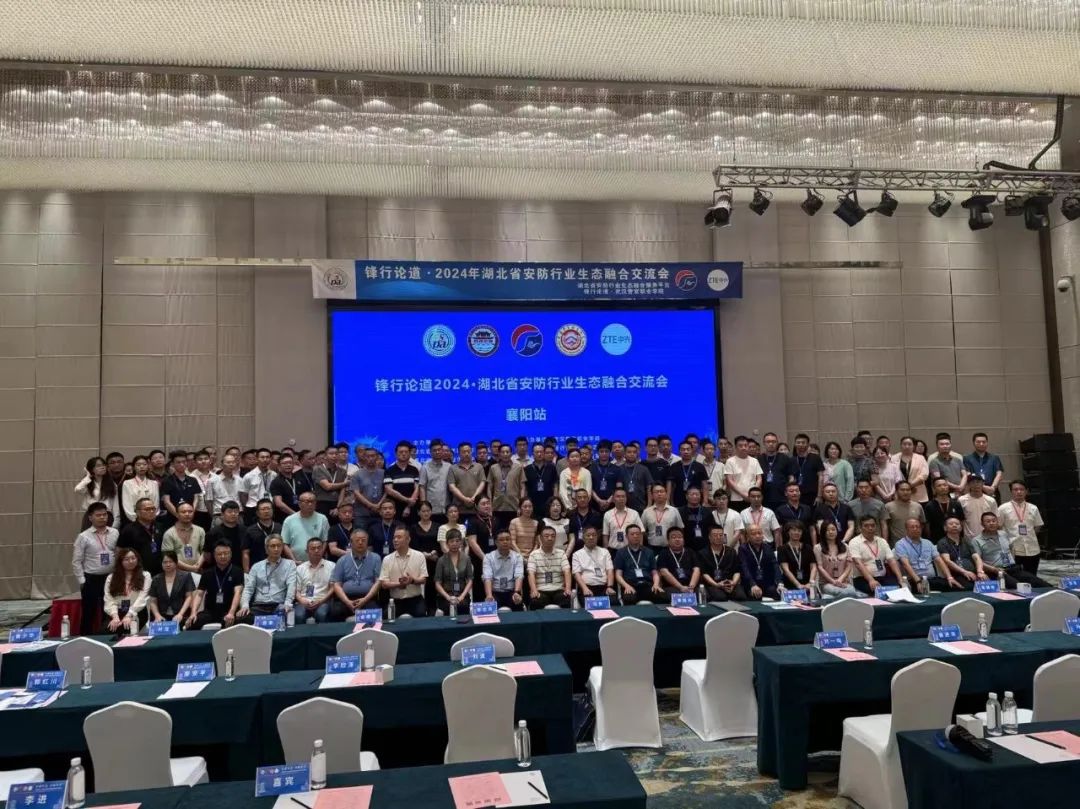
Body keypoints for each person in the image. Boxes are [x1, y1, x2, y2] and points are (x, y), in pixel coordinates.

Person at [72, 502, 119, 635]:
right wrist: (82, 580)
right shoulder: (83, 536)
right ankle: (85, 637)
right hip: (91, 578)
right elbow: (76, 561)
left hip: (110, 577)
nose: (102, 517)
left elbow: (118, 553)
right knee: (89, 611)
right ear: (90, 518)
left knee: (109, 610)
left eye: (104, 514)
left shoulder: (114, 532)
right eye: (98, 515)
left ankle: (108, 636)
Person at [971, 512, 1052, 589]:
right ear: (982, 524)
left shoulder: (1003, 534)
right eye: (988, 521)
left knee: (1040, 583)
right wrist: (994, 569)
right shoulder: (977, 540)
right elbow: (978, 561)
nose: (991, 523)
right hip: (996, 572)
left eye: (993, 521)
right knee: (1020, 587)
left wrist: (1012, 560)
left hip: (1013, 568)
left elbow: (1011, 548)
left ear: (997, 522)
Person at [894, 518, 963, 592]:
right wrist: (918, 581)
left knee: (956, 587)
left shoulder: (928, 543)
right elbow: (905, 564)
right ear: (906, 529)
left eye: (917, 527)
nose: (915, 529)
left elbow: (939, 560)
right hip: (914, 580)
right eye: (912, 527)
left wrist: (949, 577)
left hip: (932, 579)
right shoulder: (900, 544)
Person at [239, 535, 296, 620]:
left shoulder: (290, 564)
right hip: (259, 605)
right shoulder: (256, 566)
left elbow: (291, 586)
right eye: (273, 546)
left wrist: (287, 604)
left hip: (279, 605)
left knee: (288, 616)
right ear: (266, 549)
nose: (276, 549)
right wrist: (245, 606)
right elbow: (248, 589)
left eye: (279, 546)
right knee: (242, 618)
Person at [330, 529, 382, 620]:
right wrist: (347, 601)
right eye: (357, 540)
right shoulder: (342, 560)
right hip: (346, 599)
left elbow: (378, 582)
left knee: (375, 612)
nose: (360, 542)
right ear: (351, 542)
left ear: (367, 542)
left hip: (368, 598)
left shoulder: (375, 558)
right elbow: (336, 584)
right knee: (336, 612)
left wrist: (365, 599)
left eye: (363, 540)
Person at [191, 542, 245, 629]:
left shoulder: (237, 571)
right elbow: (199, 594)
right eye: (219, 554)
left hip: (228, 610)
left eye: (226, 553)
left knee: (237, 620)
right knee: (192, 622)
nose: (223, 556)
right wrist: (193, 613)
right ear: (214, 556)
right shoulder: (207, 573)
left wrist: (231, 613)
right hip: (210, 611)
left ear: (231, 554)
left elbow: (237, 593)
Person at [378, 526, 428, 618]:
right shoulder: (387, 559)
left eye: (399, 537)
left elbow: (423, 579)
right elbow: (384, 584)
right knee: (385, 618)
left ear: (408, 540)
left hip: (415, 599)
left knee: (421, 616)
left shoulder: (419, 556)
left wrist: (412, 580)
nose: (395, 540)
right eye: (394, 538)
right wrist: (399, 584)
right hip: (395, 600)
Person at [997, 480, 1045, 575]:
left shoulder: (1033, 508)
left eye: (1021, 489)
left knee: (1032, 577)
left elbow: (1038, 525)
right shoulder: (1003, 508)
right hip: (1012, 550)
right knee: (1014, 578)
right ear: (1011, 491)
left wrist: (1029, 536)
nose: (1019, 492)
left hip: (1032, 549)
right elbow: (998, 527)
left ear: (1026, 491)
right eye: (1015, 489)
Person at [848, 515, 903, 595]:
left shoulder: (882, 541)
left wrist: (900, 579)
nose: (870, 528)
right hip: (863, 579)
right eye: (866, 526)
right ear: (860, 528)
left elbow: (891, 561)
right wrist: (871, 580)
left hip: (882, 577)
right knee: (879, 591)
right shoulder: (854, 542)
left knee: (898, 588)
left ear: (876, 527)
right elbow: (858, 563)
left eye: (873, 525)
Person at [613, 525, 664, 605]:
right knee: (629, 598)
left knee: (661, 596)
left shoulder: (649, 552)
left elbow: (654, 573)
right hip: (630, 585)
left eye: (638, 534)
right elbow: (618, 575)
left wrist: (656, 584)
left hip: (647, 584)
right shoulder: (621, 553)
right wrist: (626, 586)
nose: (635, 536)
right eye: (632, 534)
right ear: (626, 536)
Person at [103, 548, 150, 632]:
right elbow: (109, 599)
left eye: (133, 558)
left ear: (137, 559)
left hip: (136, 612)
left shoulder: (145, 575)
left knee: (127, 629)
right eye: (126, 559)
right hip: (116, 612)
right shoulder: (111, 577)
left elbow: (142, 598)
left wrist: (129, 615)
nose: (131, 561)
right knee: (107, 630)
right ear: (120, 562)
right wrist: (115, 617)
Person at [527, 525, 572, 608]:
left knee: (565, 600)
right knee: (535, 602)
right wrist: (534, 590)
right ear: (540, 538)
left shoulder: (561, 553)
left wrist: (568, 589)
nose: (550, 538)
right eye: (546, 536)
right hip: (541, 589)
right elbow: (531, 574)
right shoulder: (533, 554)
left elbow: (567, 571)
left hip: (558, 589)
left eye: (553, 536)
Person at [148, 551, 197, 626]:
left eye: (170, 562)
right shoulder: (156, 579)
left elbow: (189, 597)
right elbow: (153, 601)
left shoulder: (186, 576)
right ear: (161, 564)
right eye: (165, 562)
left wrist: (180, 614)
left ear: (176, 562)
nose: (168, 564)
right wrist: (157, 615)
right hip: (162, 616)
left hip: (181, 615)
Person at [294, 538, 336, 623]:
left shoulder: (332, 566)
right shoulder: (300, 568)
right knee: (299, 615)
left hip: (323, 601)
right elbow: (296, 591)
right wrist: (302, 601)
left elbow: (333, 588)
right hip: (304, 601)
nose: (316, 551)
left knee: (322, 614)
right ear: (307, 551)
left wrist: (321, 601)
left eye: (319, 548)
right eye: (313, 548)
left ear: (323, 549)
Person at [813, 521, 860, 598]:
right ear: (823, 532)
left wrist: (840, 580)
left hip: (844, 582)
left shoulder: (845, 546)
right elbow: (820, 567)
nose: (831, 532)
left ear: (837, 531)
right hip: (826, 583)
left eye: (833, 529)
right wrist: (833, 582)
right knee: (841, 592)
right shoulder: (818, 548)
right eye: (827, 530)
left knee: (851, 591)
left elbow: (848, 566)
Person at [117, 496, 162, 576]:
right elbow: (120, 552)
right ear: (137, 512)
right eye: (147, 509)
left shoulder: (160, 526)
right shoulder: (128, 530)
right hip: (137, 573)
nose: (151, 511)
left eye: (153, 509)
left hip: (159, 572)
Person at [159, 450, 203, 531]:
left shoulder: (193, 480)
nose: (182, 464)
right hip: (173, 518)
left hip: (190, 518)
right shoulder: (167, 481)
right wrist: (178, 515)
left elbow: (196, 498)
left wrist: (190, 513)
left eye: (184, 462)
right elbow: (167, 502)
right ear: (173, 464)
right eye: (178, 462)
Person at [699, 525, 744, 601]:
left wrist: (733, 583)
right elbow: (704, 574)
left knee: (741, 596)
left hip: (729, 583)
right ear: (709, 537)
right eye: (715, 535)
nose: (718, 537)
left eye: (721, 535)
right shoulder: (703, 553)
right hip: (713, 584)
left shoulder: (731, 551)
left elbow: (737, 571)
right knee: (720, 597)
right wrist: (717, 585)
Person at [483, 529, 525, 610]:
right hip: (495, 592)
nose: (505, 542)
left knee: (517, 603)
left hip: (512, 591)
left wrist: (517, 592)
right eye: (501, 540)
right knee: (490, 606)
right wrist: (489, 595)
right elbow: (487, 577)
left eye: (507, 539)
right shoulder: (488, 557)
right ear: (496, 542)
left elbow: (519, 576)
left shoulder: (517, 557)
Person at [281, 492, 329, 563]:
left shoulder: (322, 518)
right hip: (296, 562)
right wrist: (294, 561)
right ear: (299, 504)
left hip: (317, 561)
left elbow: (325, 540)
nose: (310, 504)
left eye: (312, 501)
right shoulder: (289, 520)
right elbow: (285, 543)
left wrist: (319, 556)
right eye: (307, 502)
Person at [434, 528, 473, 615]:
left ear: (461, 542)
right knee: (449, 607)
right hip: (445, 596)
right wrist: (448, 597)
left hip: (462, 594)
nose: (454, 544)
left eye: (457, 541)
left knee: (463, 606)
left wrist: (462, 596)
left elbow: (470, 580)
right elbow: (437, 583)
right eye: (451, 541)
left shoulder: (466, 558)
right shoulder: (441, 560)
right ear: (447, 543)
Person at [410, 501, 441, 612]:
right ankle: (422, 608)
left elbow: (440, 543)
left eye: (428, 511)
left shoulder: (438, 526)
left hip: (435, 559)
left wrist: (434, 553)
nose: (426, 513)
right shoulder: (413, 528)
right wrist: (424, 555)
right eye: (423, 511)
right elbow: (413, 545)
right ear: (418, 512)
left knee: (433, 583)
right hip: (419, 560)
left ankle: (433, 608)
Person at [737, 523, 781, 601]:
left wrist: (780, 583)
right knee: (755, 595)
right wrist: (752, 584)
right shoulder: (743, 549)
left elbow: (775, 566)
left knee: (778, 593)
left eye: (759, 533)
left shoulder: (768, 548)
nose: (757, 536)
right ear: (748, 536)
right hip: (751, 583)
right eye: (753, 534)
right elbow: (744, 569)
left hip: (766, 583)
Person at [936, 517, 980, 589]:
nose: (954, 525)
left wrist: (980, 571)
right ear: (945, 528)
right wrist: (965, 572)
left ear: (961, 528)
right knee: (971, 588)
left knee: (990, 585)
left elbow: (976, 557)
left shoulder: (966, 541)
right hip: (957, 575)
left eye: (957, 524)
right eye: (951, 524)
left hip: (973, 572)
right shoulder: (942, 542)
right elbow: (947, 561)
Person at [161, 502, 206, 573]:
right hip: (177, 573)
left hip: (197, 570)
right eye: (183, 512)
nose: (187, 514)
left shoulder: (200, 530)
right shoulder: (169, 533)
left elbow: (204, 551)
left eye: (190, 511)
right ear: (177, 514)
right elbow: (169, 557)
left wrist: (197, 566)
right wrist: (191, 568)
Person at [572, 526, 615, 598]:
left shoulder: (605, 552)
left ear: (597, 537)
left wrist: (610, 587)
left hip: (604, 587)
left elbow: (610, 570)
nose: (591, 537)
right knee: (589, 602)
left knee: (613, 601)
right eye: (588, 535)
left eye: (594, 535)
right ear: (583, 538)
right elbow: (576, 574)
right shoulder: (577, 554)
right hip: (586, 587)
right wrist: (585, 589)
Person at [656, 527, 700, 597]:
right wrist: (681, 587)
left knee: (702, 594)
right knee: (671, 595)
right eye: (673, 537)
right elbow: (664, 572)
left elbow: (697, 570)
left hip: (690, 586)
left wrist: (691, 587)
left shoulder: (690, 552)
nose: (677, 539)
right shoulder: (663, 553)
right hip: (672, 587)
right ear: (668, 541)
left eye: (680, 537)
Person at [488, 444, 524, 529]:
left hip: (514, 507)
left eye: (507, 452)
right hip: (497, 507)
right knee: (497, 532)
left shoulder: (518, 467)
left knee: (513, 532)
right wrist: (490, 506)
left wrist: (521, 505)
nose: (505, 454)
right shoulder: (493, 468)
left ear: (511, 453)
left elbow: (522, 487)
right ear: (499, 454)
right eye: (503, 452)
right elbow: (489, 487)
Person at [384, 441, 422, 521]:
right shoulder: (389, 470)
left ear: (409, 453)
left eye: (406, 452)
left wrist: (409, 505)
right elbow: (389, 490)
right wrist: (406, 500)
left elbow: (417, 488)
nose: (404, 454)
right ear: (396, 454)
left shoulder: (414, 470)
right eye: (401, 452)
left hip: (412, 507)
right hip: (395, 509)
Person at [76, 457, 120, 525]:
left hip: (106, 515)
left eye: (103, 465)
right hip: (91, 516)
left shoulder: (111, 484)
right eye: (98, 466)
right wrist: (88, 477)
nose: (102, 467)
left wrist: (116, 521)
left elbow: (115, 505)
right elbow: (78, 489)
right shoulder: (88, 483)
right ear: (92, 469)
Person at [723, 436, 763, 511]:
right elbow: (730, 481)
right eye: (740, 446)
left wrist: (753, 493)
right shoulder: (730, 461)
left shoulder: (754, 461)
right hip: (736, 499)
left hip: (753, 499)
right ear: (736, 447)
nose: (743, 448)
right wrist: (743, 494)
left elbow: (759, 479)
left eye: (745, 445)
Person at [447, 441, 486, 518]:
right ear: (459, 453)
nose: (466, 454)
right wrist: (464, 499)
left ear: (471, 452)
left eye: (468, 451)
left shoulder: (478, 466)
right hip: (458, 508)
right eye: (464, 452)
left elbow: (482, 483)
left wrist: (474, 498)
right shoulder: (453, 468)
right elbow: (452, 487)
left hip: (476, 506)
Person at [269, 454, 312, 523]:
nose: (288, 465)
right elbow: (278, 503)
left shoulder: (300, 478)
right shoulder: (276, 482)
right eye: (285, 463)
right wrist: (295, 514)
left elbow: (309, 495)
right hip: (285, 517)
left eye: (290, 463)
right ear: (279, 466)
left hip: (303, 514)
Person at [239, 448, 276, 524]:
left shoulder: (274, 475)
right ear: (257, 459)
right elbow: (243, 495)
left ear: (270, 459)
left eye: (267, 457)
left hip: (269, 508)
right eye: (262, 457)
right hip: (253, 509)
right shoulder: (249, 476)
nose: (265, 459)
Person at [349, 447, 386, 523]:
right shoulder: (357, 474)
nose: (370, 458)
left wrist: (379, 504)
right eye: (368, 456)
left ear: (377, 457)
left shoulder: (384, 473)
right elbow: (356, 493)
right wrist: (371, 505)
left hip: (380, 512)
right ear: (364, 457)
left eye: (373, 456)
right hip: (361, 513)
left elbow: (387, 491)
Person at [642, 483, 683, 549]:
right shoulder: (646, 512)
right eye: (656, 492)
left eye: (661, 491)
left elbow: (680, 528)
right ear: (652, 495)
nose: (659, 494)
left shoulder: (674, 510)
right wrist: (649, 538)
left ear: (666, 494)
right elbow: (642, 530)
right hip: (652, 547)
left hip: (670, 547)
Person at [964, 433, 1004, 500]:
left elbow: (999, 474)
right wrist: (983, 487)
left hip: (992, 492)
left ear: (987, 443)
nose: (981, 444)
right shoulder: (967, 458)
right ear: (973, 443)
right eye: (978, 442)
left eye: (984, 442)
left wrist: (992, 488)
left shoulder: (994, 458)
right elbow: (968, 475)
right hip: (974, 492)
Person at [312, 446, 349, 519]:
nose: (334, 456)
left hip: (337, 503)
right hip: (322, 503)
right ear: (325, 456)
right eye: (331, 454)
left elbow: (342, 491)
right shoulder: (318, 469)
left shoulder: (342, 471)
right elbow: (327, 486)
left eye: (336, 454)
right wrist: (345, 483)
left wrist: (338, 507)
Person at [206, 452, 243, 526]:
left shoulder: (240, 480)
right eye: (228, 462)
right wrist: (213, 516)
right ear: (222, 464)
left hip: (237, 515)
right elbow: (208, 501)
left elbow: (242, 498)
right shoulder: (212, 480)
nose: (231, 464)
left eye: (233, 462)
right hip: (220, 516)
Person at [669, 441, 709, 509]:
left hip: (696, 500)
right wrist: (671, 502)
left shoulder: (699, 466)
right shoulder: (674, 466)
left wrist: (705, 501)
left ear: (692, 450)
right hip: (678, 501)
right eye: (683, 449)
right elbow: (672, 486)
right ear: (679, 451)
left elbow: (704, 485)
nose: (686, 451)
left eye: (688, 449)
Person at [242, 498, 279, 572]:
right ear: (257, 513)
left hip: (278, 567)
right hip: (257, 568)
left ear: (273, 511)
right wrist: (246, 572)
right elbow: (245, 552)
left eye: (268, 508)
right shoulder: (250, 531)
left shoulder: (279, 527)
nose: (266, 511)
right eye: (263, 509)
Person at [778, 521, 817, 589]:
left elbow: (813, 567)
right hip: (790, 584)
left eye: (799, 531)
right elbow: (786, 570)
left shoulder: (808, 548)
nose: (797, 533)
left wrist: (810, 583)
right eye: (794, 530)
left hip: (808, 584)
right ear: (788, 532)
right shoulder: (782, 549)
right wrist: (798, 585)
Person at [602, 488, 642, 554]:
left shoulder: (634, 513)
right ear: (613, 499)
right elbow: (605, 535)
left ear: (626, 498)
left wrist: (639, 551)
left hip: (630, 550)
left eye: (623, 496)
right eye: (618, 496)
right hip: (613, 550)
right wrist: (606, 552)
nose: (621, 499)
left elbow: (641, 532)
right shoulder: (608, 514)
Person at [892, 436, 930, 504]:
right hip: (899, 494)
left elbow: (924, 474)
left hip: (917, 492)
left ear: (914, 446)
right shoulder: (894, 458)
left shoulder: (920, 458)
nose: (907, 446)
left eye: (909, 444)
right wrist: (903, 487)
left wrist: (909, 486)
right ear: (901, 445)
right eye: (904, 444)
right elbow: (892, 474)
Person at [121, 455, 159, 524]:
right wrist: (136, 519)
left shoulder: (154, 483)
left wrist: (152, 517)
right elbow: (127, 505)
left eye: (144, 464)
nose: (142, 467)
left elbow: (156, 503)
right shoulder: (127, 483)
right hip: (134, 521)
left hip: (152, 520)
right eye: (138, 465)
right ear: (134, 467)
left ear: (148, 466)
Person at [791, 433, 825, 506]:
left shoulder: (815, 458)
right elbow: (791, 478)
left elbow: (821, 477)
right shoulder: (792, 460)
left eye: (803, 442)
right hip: (796, 494)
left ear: (808, 444)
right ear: (795, 444)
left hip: (813, 495)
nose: (800, 444)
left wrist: (819, 496)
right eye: (798, 442)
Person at [566, 488, 603, 555]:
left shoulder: (596, 515)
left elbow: (599, 533)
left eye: (585, 497)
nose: (582, 499)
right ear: (575, 499)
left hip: (592, 550)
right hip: (574, 550)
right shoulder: (570, 515)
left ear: (588, 499)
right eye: (579, 497)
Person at [620, 442, 654, 514]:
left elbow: (649, 488)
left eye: (634, 452)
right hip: (624, 508)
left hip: (642, 507)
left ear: (637, 454)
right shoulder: (619, 469)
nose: (632, 454)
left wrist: (649, 505)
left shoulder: (644, 469)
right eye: (629, 452)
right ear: (624, 454)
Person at [523, 444, 558, 513]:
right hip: (532, 503)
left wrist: (555, 500)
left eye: (541, 452)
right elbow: (525, 488)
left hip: (548, 503)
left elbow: (555, 485)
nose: (539, 454)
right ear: (532, 453)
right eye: (537, 452)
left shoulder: (551, 468)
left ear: (544, 453)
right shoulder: (527, 469)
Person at [678, 486, 712, 552]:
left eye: (697, 494)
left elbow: (711, 528)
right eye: (692, 494)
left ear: (700, 496)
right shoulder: (680, 511)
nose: (694, 496)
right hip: (686, 547)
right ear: (686, 496)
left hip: (704, 547)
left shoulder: (707, 511)